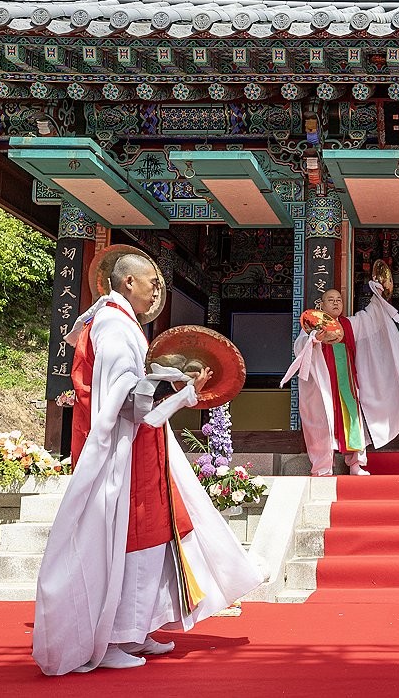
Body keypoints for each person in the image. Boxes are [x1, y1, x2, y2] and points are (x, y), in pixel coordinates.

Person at [33, 253, 265, 675]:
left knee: (153, 535)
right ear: (126, 284)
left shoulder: (118, 323)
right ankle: (116, 636)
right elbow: (129, 402)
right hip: (126, 448)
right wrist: (183, 393)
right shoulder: (114, 327)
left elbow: (138, 386)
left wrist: (173, 380)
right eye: (151, 282)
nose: (158, 290)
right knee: (134, 537)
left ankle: (138, 629)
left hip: (141, 445)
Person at [282, 279, 399, 476]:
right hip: (322, 384)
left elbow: (373, 315)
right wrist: (313, 339)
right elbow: (300, 347)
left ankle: (355, 464)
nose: (335, 303)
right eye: (331, 300)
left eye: (339, 300)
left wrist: (377, 292)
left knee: (352, 418)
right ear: (321, 305)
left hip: (347, 380)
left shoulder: (350, 324)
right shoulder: (312, 324)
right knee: (322, 421)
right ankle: (322, 467)